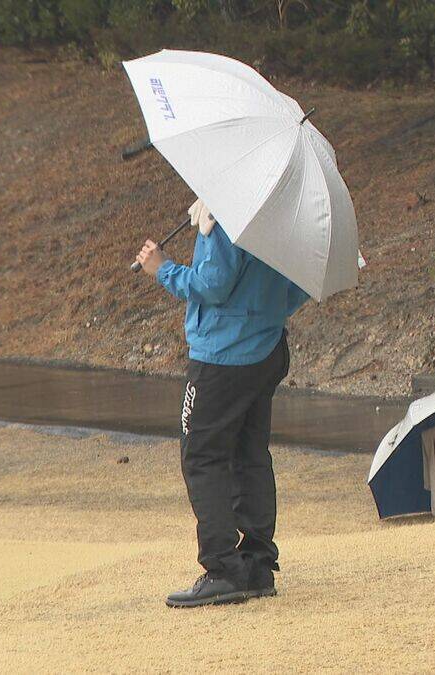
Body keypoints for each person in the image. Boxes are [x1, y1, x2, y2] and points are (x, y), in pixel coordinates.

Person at [135, 199, 309, 607]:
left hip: (221, 359)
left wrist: (163, 268)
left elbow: (211, 284)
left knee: (202, 457)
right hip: (266, 349)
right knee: (249, 454)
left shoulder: (230, 206)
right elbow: (297, 288)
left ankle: (222, 569)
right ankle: (257, 564)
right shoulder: (282, 210)